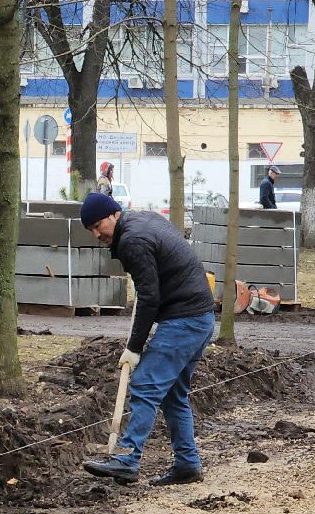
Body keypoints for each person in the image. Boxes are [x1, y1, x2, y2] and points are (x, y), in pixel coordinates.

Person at [79, 191, 216, 487]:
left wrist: (134, 348)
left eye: (97, 225)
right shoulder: (144, 220)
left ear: (114, 214)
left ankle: (127, 459)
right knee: (173, 395)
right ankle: (187, 464)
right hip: (200, 317)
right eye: (90, 229)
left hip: (184, 320)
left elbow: (149, 298)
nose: (95, 234)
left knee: (144, 385)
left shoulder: (132, 241)